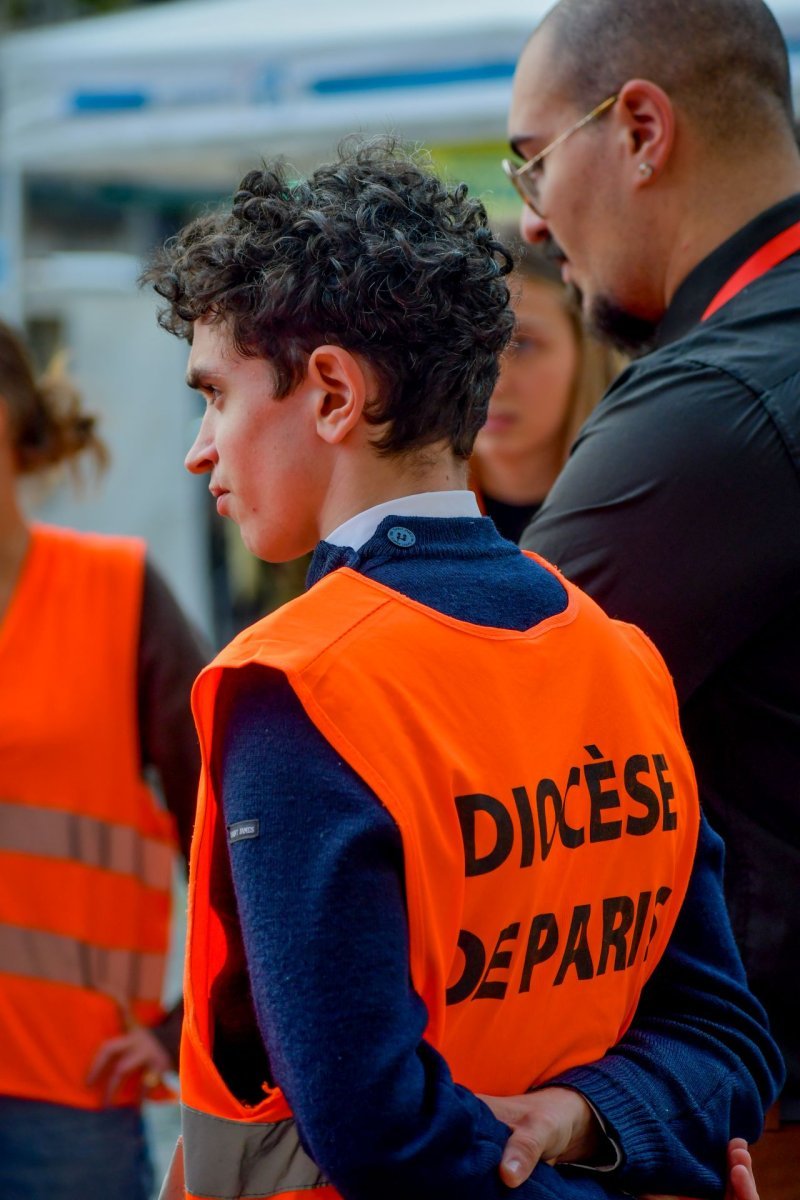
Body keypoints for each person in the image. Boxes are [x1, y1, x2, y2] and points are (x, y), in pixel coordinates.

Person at [144, 137, 779, 1200]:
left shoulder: (295, 686)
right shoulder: (618, 659)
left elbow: (376, 1131)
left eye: (215, 395)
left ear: (334, 395)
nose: (198, 449)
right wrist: (587, 1124)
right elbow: (724, 1049)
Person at [495, 0, 799, 1194]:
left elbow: (466, 710)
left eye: (529, 155)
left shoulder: (716, 403)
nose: (528, 213)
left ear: (637, 130)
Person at [0, 321, 207, 1200]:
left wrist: (188, 1027)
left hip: (66, 1092)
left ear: (14, 417)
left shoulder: (116, 598)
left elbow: (247, 841)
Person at [471, 235, 623, 543]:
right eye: (469, 342)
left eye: (522, 344)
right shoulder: (404, 511)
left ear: (587, 349)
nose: (491, 382)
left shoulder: (639, 504)